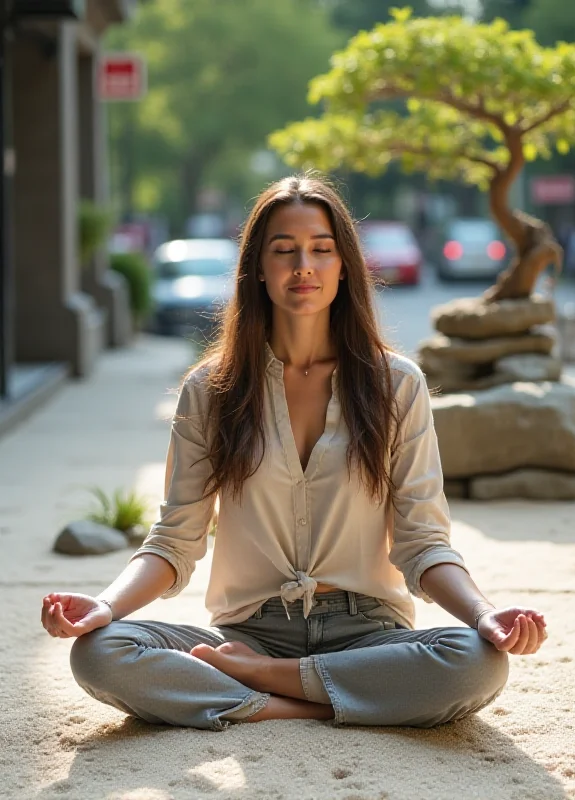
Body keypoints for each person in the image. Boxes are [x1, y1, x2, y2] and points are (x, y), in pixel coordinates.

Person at [41, 175, 547, 731]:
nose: (303, 265)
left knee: (477, 662)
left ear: (343, 265)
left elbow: (423, 543)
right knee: (99, 651)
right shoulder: (210, 390)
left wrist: (483, 614)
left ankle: (264, 684)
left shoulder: (397, 385)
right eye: (284, 250)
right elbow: (175, 540)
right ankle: (313, 695)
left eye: (321, 249)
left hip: (368, 631)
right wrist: (105, 608)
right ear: (258, 267)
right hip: (247, 630)